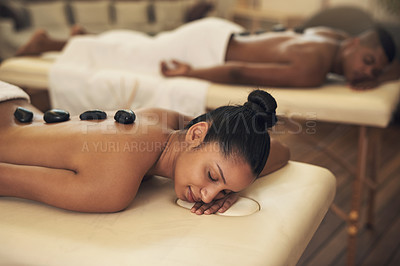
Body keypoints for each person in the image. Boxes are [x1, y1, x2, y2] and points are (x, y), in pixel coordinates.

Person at [0, 81, 290, 214]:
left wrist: (232, 188)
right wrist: (229, 185)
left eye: (224, 191)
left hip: (13, 99)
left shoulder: (167, 121)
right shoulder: (114, 186)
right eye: (213, 177)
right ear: (197, 134)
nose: (208, 196)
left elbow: (279, 149)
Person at [15, 17, 399, 90]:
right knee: (133, 54)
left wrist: (367, 77)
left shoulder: (331, 36)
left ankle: (86, 34)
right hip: (210, 51)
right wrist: (190, 74)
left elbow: (251, 57)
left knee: (142, 46)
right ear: (354, 46)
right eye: (368, 63)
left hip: (221, 32)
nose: (367, 73)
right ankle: (47, 43)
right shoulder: (313, 69)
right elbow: (239, 73)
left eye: (374, 71)